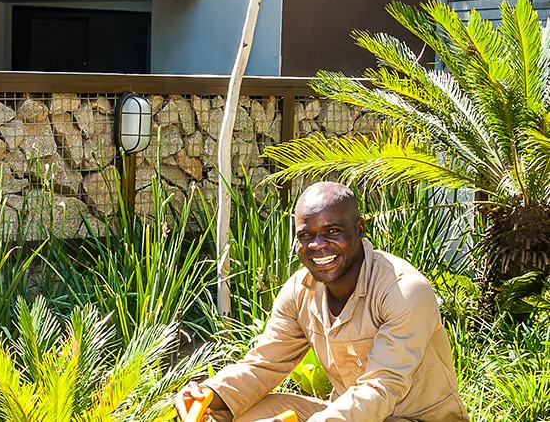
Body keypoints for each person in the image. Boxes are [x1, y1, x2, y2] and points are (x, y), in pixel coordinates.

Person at [174, 181, 469, 422]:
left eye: (333, 231)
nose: (318, 246)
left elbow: (381, 388)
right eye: (306, 235)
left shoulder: (404, 290)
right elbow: (265, 362)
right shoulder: (299, 292)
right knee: (245, 412)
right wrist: (211, 393)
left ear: (359, 230)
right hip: (346, 416)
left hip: (415, 418)